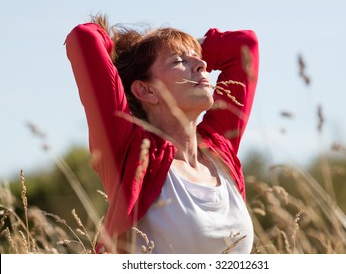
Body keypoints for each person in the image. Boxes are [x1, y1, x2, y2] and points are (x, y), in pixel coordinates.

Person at [65, 14, 259, 254]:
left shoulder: (219, 150)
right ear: (145, 90)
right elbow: (84, 39)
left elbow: (244, 45)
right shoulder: (131, 153)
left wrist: (185, 50)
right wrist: (135, 53)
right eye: (179, 61)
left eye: (199, 59)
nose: (202, 65)